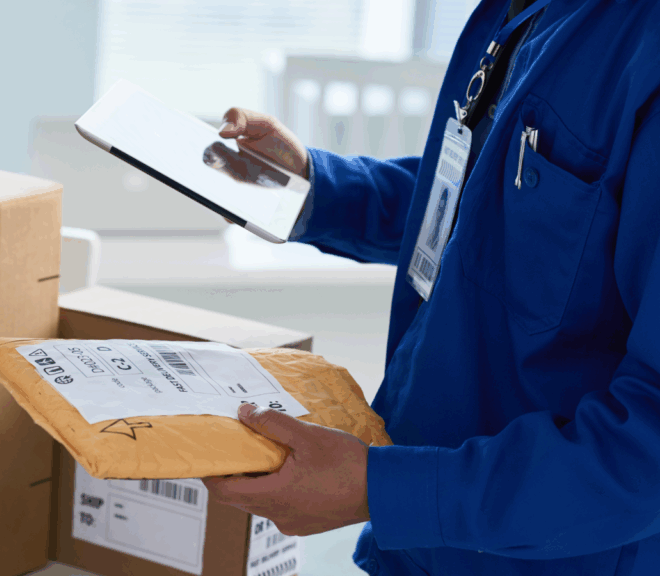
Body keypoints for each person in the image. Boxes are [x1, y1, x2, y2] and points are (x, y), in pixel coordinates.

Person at [201, 0, 660, 574]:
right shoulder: (515, 13)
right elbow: (490, 201)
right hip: (416, 543)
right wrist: (319, 188)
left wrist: (387, 491)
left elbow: (649, 451)